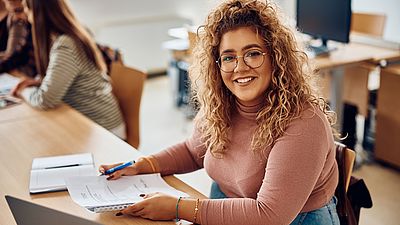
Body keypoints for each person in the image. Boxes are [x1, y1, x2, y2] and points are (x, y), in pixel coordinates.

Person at [100, 0, 340, 224]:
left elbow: (271, 215)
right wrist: (142, 165)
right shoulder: (223, 104)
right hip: (231, 211)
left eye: (253, 53)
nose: (240, 67)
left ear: (277, 59)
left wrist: (179, 208)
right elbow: (192, 151)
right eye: (228, 57)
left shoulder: (304, 122)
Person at [11, 0, 125, 138]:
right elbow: (65, 77)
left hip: (104, 132)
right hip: (94, 125)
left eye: (26, 10)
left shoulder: (66, 44)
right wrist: (38, 82)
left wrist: (23, 90)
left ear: (39, 14)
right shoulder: (69, 35)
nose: (26, 17)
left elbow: (45, 100)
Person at [0, 0, 36, 77]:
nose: (16, 16)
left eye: (19, 10)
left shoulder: (21, 22)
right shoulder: (13, 18)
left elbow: (13, 57)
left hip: (27, 74)